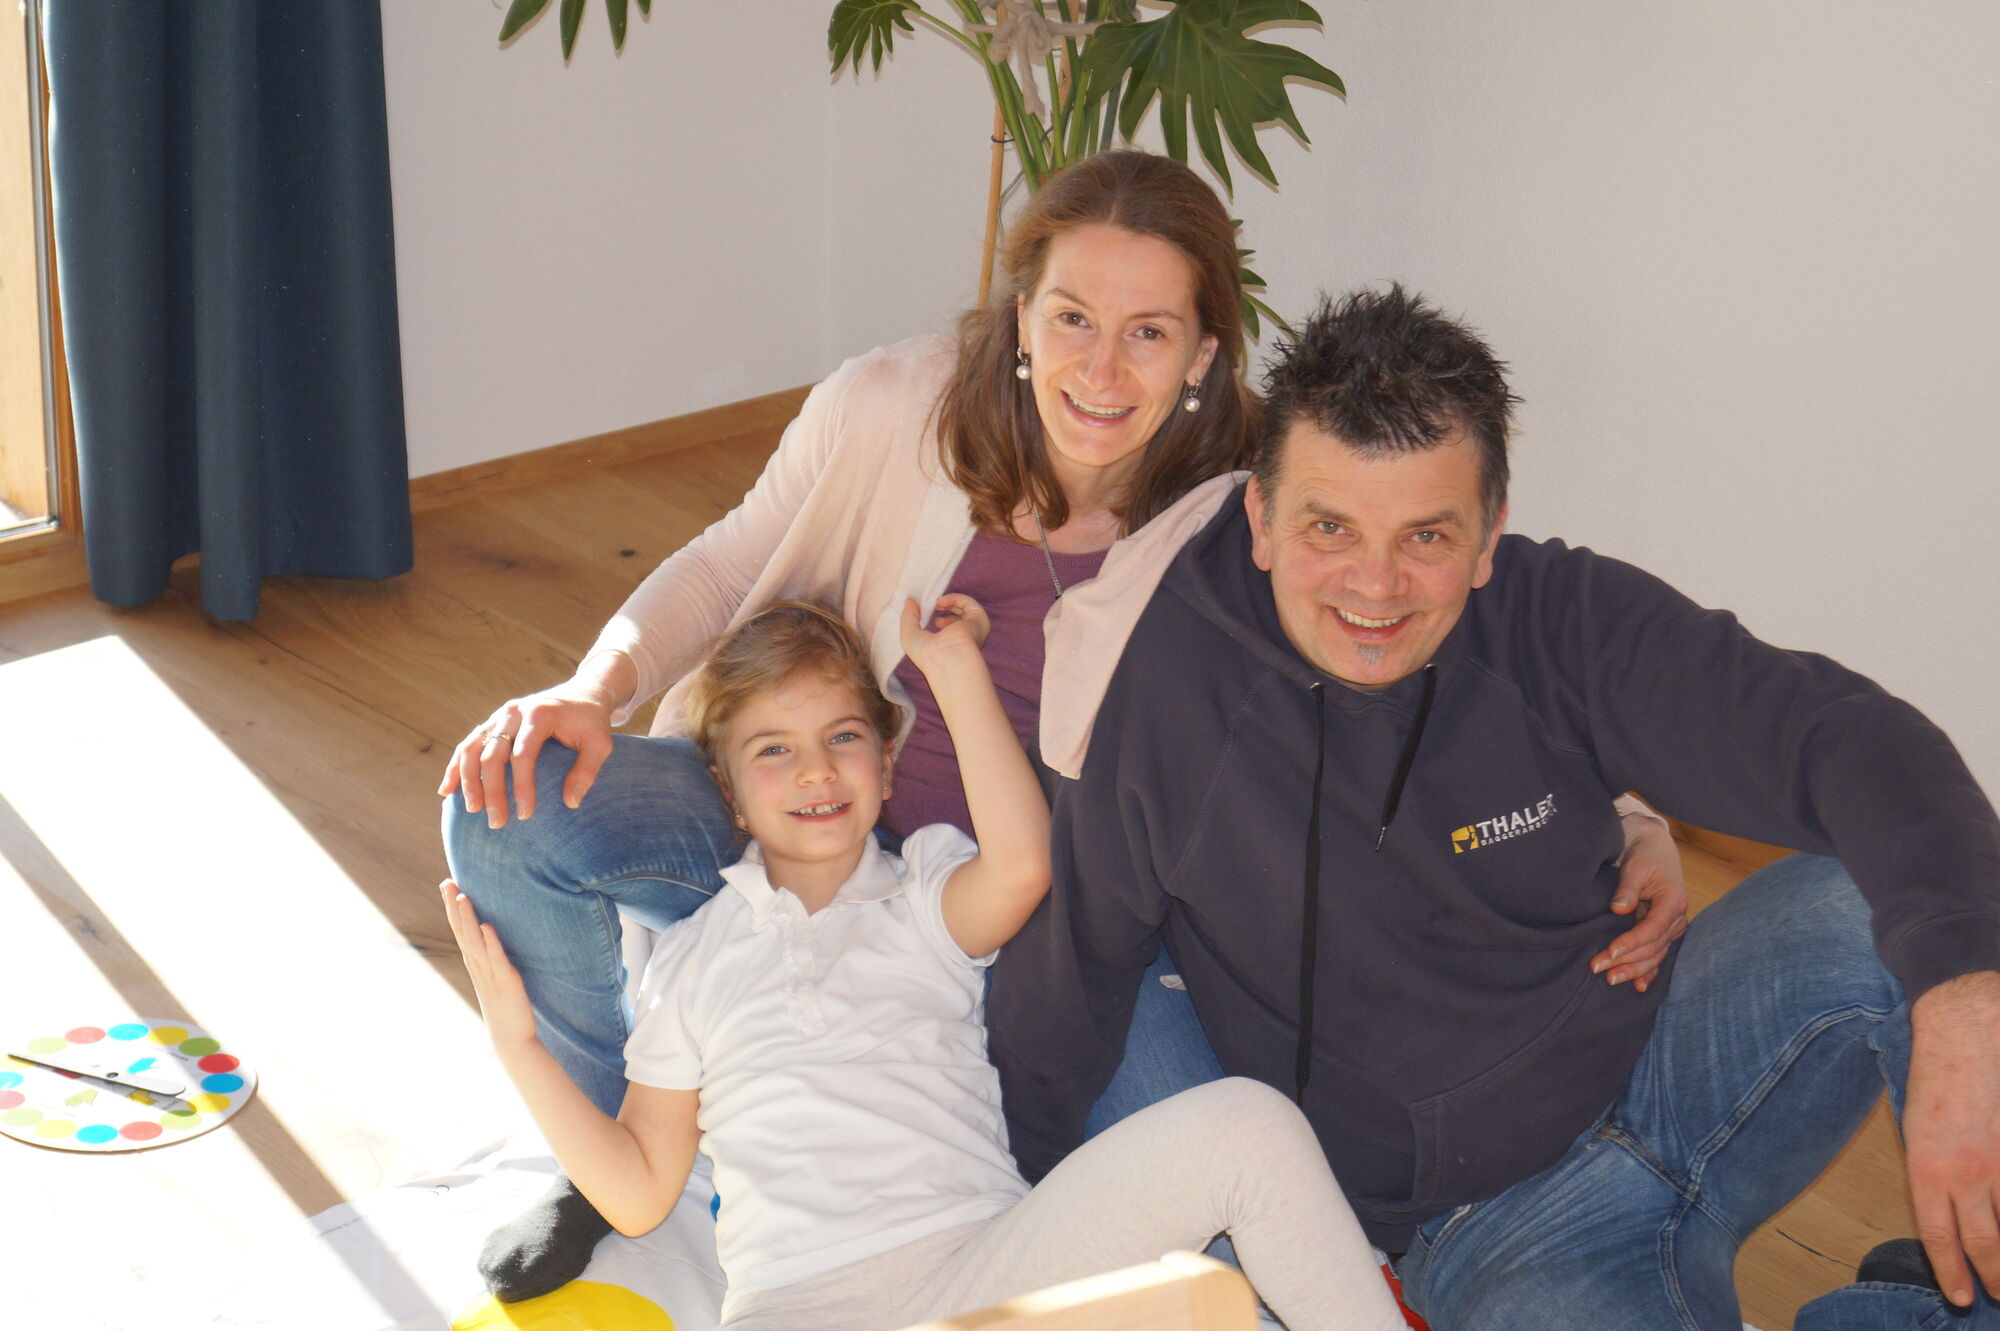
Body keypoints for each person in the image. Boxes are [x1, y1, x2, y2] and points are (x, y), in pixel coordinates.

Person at [441, 148, 1685, 1300]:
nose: (1101, 370)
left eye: (1148, 332)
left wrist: (1624, 811)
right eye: (1072, 318)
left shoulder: (1244, 499)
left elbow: (1427, 625)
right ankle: (613, 1147)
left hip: (1054, 923)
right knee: (510, 800)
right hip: (799, 820)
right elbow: (727, 561)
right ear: (1021, 319)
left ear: (1202, 353)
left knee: (1247, 1219)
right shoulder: (891, 406)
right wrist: (592, 689)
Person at [986, 285, 2000, 1330]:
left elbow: (1854, 740)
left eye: (1426, 536)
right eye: (1330, 527)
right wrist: (1026, 1238)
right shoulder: (1169, 696)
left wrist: (1967, 1003)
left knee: (1901, 911)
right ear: (1261, 521)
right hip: (1488, 1229)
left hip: (1664, 1055)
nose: (1374, 586)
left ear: (1487, 536)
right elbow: (1068, 985)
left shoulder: (1555, 617)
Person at [443, 599, 1407, 1331]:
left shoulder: (923, 888)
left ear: (887, 765)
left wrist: (955, 670)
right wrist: (520, 1047)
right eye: (774, 750)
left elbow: (1023, 865)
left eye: (844, 737)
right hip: (796, 1305)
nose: (816, 769)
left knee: (1246, 1124)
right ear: (728, 793)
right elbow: (641, 1189)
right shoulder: (690, 959)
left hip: (985, 1269)